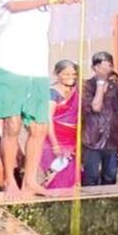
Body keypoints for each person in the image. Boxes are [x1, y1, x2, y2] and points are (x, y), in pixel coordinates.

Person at [0, 0, 81, 199]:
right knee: (12, 125)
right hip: (8, 66)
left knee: (38, 127)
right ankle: (10, 183)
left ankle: (30, 182)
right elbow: (14, 7)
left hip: (37, 69)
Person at [80, 51, 118, 186]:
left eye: (110, 66)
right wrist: (100, 83)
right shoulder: (86, 86)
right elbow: (96, 107)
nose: (108, 69)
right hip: (91, 138)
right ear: (95, 67)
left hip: (112, 138)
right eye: (104, 66)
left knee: (110, 176)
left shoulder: (117, 89)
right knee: (91, 176)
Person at [40, 60, 80, 189]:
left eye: (73, 74)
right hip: (53, 140)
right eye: (66, 74)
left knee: (71, 177)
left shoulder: (75, 91)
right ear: (57, 74)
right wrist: (55, 144)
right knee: (55, 177)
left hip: (71, 141)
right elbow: (48, 118)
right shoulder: (52, 92)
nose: (71, 77)